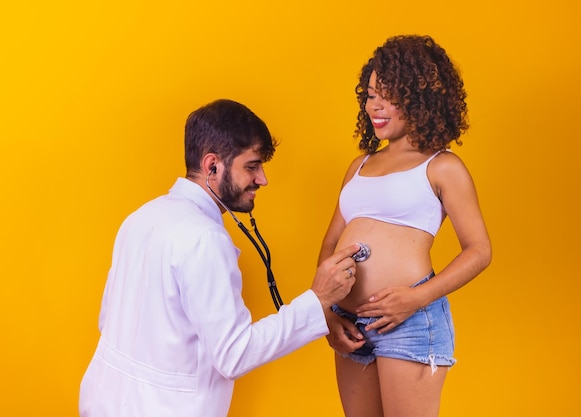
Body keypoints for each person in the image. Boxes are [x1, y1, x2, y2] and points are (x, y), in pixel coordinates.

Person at [79, 99, 360, 417]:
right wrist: (318, 300)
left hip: (103, 403)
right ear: (212, 166)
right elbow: (234, 355)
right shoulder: (204, 238)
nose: (262, 179)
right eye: (252, 166)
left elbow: (109, 320)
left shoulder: (142, 216)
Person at [318, 35, 492, 417]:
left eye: (387, 95)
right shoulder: (359, 165)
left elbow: (479, 251)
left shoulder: (443, 167)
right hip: (349, 325)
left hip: (410, 319)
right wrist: (326, 311)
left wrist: (417, 298)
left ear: (419, 98)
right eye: (369, 95)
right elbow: (330, 245)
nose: (374, 106)